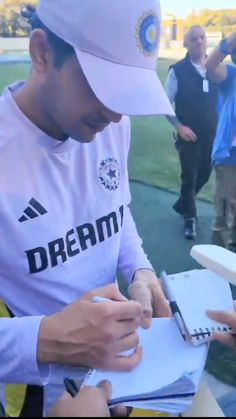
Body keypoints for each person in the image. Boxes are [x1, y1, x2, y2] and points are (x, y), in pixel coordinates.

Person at [0, 0, 173, 415]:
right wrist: (47, 339)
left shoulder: (108, 126)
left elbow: (115, 206)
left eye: (126, 93)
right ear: (42, 53)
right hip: (38, 396)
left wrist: (140, 268)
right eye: (102, 86)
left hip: (121, 380)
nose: (115, 113)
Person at [165, 25, 218, 240]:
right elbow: (164, 103)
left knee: (204, 174)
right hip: (188, 135)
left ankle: (184, 202)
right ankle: (190, 218)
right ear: (186, 43)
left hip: (213, 135)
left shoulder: (216, 70)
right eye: (193, 39)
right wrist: (179, 126)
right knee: (189, 177)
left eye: (202, 37)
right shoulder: (177, 71)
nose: (199, 41)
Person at [206, 33, 236, 252]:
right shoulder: (232, 76)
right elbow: (210, 64)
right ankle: (216, 267)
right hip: (230, 158)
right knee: (225, 215)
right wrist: (231, 39)